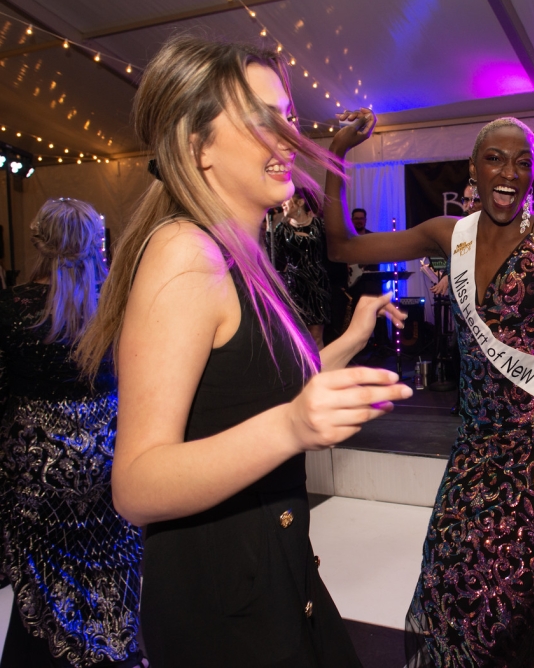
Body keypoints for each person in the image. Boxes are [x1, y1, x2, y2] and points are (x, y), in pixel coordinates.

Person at [75, 35, 412, 668]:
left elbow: (251, 392)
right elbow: (136, 483)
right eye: (261, 119)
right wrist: (291, 427)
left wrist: (349, 342)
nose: (289, 135)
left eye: (286, 114)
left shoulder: (242, 252)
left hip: (273, 579)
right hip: (223, 609)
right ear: (196, 146)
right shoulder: (185, 253)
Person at [326, 115, 534, 666]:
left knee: (522, 591)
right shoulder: (448, 234)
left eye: (523, 162)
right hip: (475, 445)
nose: (510, 172)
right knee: (452, 577)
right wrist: (336, 154)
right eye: (496, 158)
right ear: (473, 170)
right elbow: (339, 247)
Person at [0, 198, 145, 668]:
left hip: (35, 474)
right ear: (95, 243)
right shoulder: (117, 305)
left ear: (37, 238)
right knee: (113, 576)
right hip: (109, 461)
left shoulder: (10, 308)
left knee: (41, 591)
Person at [269, 189, 333, 348]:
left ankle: (319, 370)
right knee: (299, 333)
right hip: (294, 285)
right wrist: (272, 227)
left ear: (300, 202)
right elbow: (274, 259)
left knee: (316, 333)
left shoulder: (320, 225)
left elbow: (333, 252)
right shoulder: (281, 230)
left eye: (287, 200)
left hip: (317, 283)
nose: (283, 203)